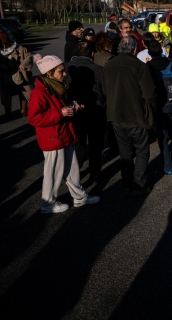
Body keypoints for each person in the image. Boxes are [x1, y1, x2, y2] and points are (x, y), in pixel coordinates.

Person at [28, 54, 100, 214]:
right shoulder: (40, 92)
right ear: (49, 73)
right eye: (61, 71)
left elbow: (57, 108)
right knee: (53, 173)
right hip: (53, 138)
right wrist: (60, 113)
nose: (65, 74)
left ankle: (80, 197)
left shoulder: (53, 86)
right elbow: (34, 118)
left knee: (72, 169)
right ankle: (47, 204)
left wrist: (71, 108)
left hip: (63, 135)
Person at [102, 36, 157, 195]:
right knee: (141, 150)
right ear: (134, 49)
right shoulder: (139, 66)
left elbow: (105, 91)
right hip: (135, 116)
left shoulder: (108, 65)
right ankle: (138, 184)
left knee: (125, 152)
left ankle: (127, 183)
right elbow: (150, 93)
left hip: (115, 115)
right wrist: (151, 108)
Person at [65, 41, 106, 182]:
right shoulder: (99, 70)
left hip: (74, 113)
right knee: (96, 144)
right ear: (92, 54)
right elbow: (105, 92)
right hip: (96, 111)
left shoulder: (65, 68)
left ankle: (74, 172)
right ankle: (95, 171)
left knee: (78, 143)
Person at [146, 40, 172, 174]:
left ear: (149, 52)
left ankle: (168, 166)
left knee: (163, 137)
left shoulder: (149, 68)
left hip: (161, 108)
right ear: (162, 51)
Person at [0, 29, 34, 119]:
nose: (5, 46)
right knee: (6, 95)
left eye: (6, 44)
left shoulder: (19, 48)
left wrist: (23, 65)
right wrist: (0, 66)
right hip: (5, 76)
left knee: (23, 92)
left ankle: (23, 109)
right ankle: (7, 112)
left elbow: (29, 56)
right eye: (3, 44)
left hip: (20, 74)